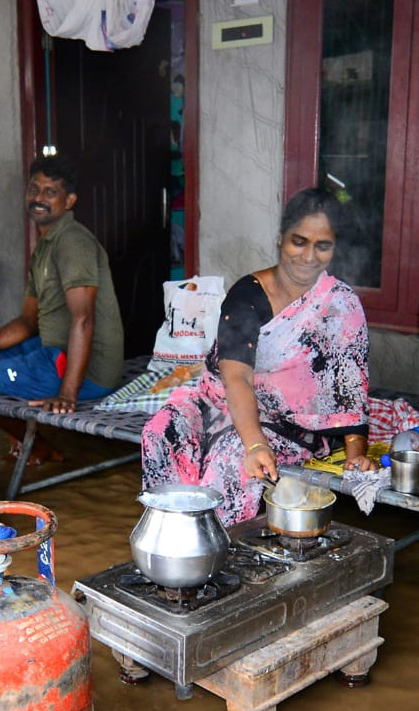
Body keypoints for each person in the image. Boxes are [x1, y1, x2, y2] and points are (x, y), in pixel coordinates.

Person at [141, 187, 378, 525]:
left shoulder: (339, 304)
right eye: (299, 241)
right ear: (281, 239)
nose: (309, 256)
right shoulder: (248, 296)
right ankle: (170, 533)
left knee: (233, 457)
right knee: (160, 430)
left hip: (290, 425)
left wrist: (356, 457)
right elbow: (236, 377)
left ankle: (220, 550)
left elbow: (349, 390)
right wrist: (256, 444)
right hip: (219, 400)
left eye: (322, 246)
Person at [0, 155, 125, 461]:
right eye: (34, 189)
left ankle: (37, 448)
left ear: (69, 200)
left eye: (50, 192)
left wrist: (67, 394)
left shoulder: (72, 242)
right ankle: (37, 447)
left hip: (89, 370)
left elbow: (84, 318)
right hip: (53, 348)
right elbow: (28, 321)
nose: (38, 198)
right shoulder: (45, 248)